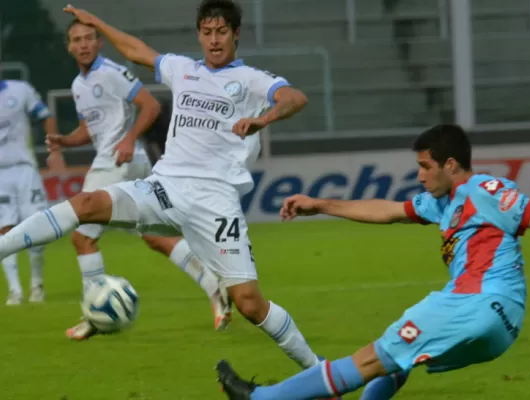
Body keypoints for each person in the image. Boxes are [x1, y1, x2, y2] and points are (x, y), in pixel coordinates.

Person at [0, 0, 325, 372]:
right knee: (86, 204)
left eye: (221, 32)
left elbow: (294, 98)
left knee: (250, 303)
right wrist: (98, 23)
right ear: (199, 34)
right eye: (207, 32)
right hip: (164, 188)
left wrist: (263, 118)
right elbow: (136, 50)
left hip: (214, 202)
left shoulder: (252, 79)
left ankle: (318, 371)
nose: (214, 40)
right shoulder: (182, 69)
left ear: (235, 34)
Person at [215, 124, 530, 400]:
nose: (418, 176)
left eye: (425, 167)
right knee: (399, 362)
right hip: (504, 325)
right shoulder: (442, 202)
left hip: (475, 303)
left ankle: (261, 398)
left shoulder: (484, 190)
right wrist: (321, 204)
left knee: (369, 360)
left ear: (451, 165)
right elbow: (387, 211)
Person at [47, 18, 230, 339]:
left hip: (118, 161)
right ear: (69, 46)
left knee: (82, 237)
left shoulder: (111, 72)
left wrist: (130, 138)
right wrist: (65, 140)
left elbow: (150, 105)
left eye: (89, 38)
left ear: (99, 42)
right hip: (127, 161)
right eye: (77, 40)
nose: (84, 44)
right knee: (154, 236)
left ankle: (93, 313)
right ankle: (215, 288)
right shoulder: (79, 85)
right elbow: (90, 130)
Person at [0, 78, 65, 305]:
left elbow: (46, 116)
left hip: (25, 170)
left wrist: (54, 150)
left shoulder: (21, 90)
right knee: (4, 230)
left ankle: (36, 285)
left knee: (36, 228)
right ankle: (15, 290)